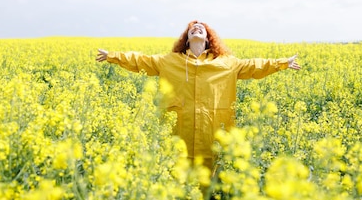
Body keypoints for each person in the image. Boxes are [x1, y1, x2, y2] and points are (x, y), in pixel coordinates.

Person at [96, 20, 300, 171]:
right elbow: (140, 60)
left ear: (208, 38)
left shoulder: (226, 62)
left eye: (201, 27)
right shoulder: (170, 61)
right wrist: (112, 56)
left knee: (211, 180)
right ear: (186, 38)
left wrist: (282, 63)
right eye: (192, 28)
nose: (197, 27)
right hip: (177, 134)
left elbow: (255, 65)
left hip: (213, 134)